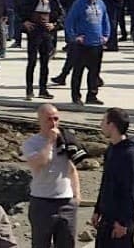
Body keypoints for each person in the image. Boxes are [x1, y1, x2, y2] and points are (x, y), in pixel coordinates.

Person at [22, 104, 80, 248]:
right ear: (40, 121)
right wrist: (49, 142)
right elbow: (39, 163)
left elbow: (72, 169)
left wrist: (77, 196)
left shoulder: (66, 140)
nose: (53, 123)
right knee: (41, 243)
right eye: (49, 119)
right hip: (42, 202)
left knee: (67, 243)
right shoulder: (31, 143)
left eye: (56, 119)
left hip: (66, 202)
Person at [92, 108, 134, 248]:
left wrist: (123, 222)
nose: (101, 125)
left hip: (120, 223)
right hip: (107, 218)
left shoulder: (129, 155)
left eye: (103, 121)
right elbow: (105, 182)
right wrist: (97, 210)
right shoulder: (112, 149)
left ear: (112, 125)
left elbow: (131, 191)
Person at [63, 0, 109, 107]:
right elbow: (69, 21)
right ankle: (76, 96)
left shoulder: (101, 4)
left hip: (97, 44)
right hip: (82, 45)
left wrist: (106, 35)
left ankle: (92, 95)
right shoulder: (79, 4)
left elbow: (105, 20)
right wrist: (74, 37)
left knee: (94, 72)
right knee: (78, 71)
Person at [21, 0, 64, 101]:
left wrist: (54, 25)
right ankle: (29, 90)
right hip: (34, 34)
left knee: (45, 63)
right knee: (32, 62)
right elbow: (20, 13)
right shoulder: (30, 0)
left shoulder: (53, 1)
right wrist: (25, 22)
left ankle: (43, 89)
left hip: (47, 35)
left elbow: (61, 16)